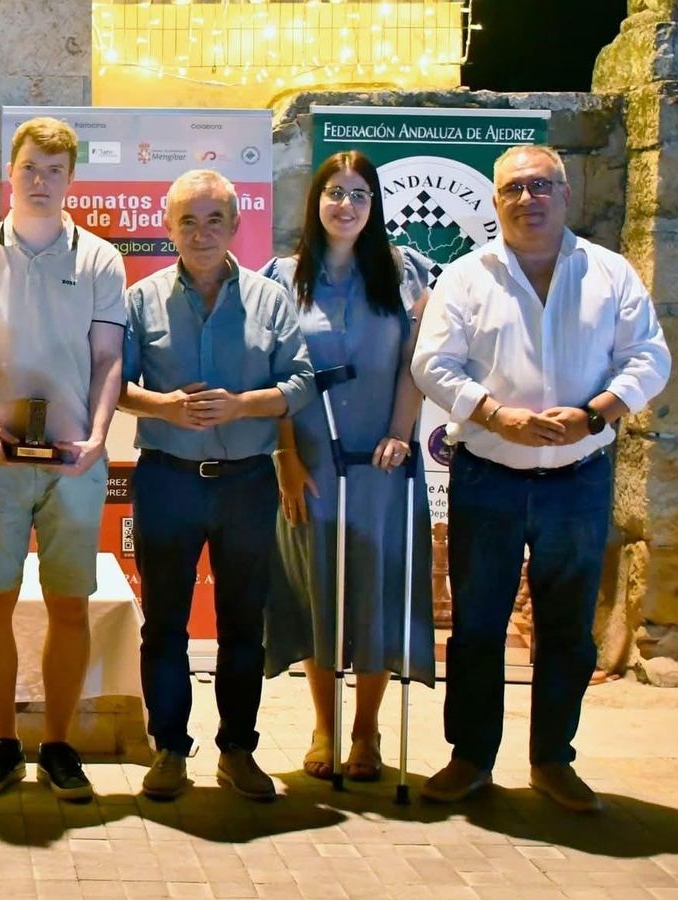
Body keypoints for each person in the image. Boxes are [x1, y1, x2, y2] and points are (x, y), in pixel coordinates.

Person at [412, 144, 671, 813]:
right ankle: (470, 758)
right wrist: (497, 415)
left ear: (565, 193)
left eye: (542, 186)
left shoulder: (609, 273)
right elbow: (433, 365)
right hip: (488, 476)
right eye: (514, 189)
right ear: (496, 201)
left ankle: (553, 761)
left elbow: (650, 357)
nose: (529, 199)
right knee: (476, 627)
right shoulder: (467, 276)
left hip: (577, 478)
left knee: (566, 630)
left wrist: (595, 414)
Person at [118, 169, 314, 803]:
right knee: (165, 625)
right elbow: (114, 387)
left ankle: (238, 750)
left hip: (247, 484)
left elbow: (302, 384)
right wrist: (165, 406)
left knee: (242, 625)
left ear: (235, 225)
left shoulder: (270, 299)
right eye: (187, 221)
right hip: (167, 481)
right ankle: (169, 750)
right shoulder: (141, 298)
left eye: (214, 220)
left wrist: (245, 405)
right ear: (168, 227)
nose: (200, 233)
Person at [0, 117, 125, 803]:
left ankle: (59, 744)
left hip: (73, 462)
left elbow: (109, 359)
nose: (42, 181)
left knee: (70, 606)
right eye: (31, 168)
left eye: (56, 170)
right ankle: (1, 743)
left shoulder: (101, 259)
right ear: (10, 171)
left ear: (71, 179)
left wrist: (99, 435)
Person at [260, 150, 436, 783]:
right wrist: (285, 459)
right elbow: (271, 375)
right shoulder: (282, 277)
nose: (346, 204)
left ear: (375, 206)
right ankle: (325, 728)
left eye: (360, 194)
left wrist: (399, 433)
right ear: (316, 202)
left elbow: (417, 364)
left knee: (374, 597)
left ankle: (366, 732)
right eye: (335, 192)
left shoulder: (404, 272)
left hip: (382, 467)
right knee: (318, 593)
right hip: (311, 465)